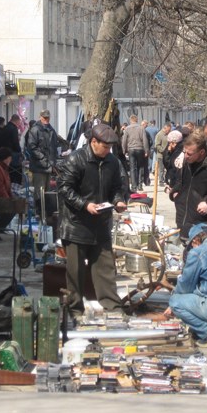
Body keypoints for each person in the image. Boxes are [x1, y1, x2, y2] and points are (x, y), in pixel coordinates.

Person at [57, 123, 128, 318]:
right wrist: (84, 204)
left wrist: (118, 201)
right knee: (75, 274)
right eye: (105, 147)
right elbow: (64, 188)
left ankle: (114, 309)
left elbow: (117, 187)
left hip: (101, 225)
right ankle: (74, 311)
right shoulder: (75, 159)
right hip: (76, 225)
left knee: (106, 270)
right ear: (93, 142)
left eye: (110, 147)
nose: (108, 151)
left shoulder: (112, 162)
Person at [27, 109, 59, 207]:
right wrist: (42, 158)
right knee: (39, 193)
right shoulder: (35, 129)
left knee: (47, 193)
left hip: (49, 167)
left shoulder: (52, 130)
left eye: (47, 117)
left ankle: (46, 214)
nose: (46, 119)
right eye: (44, 117)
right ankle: (39, 213)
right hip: (39, 167)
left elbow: (54, 148)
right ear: (40, 118)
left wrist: (54, 161)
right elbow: (31, 148)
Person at [121, 115, 149, 192]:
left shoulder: (127, 128)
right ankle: (140, 185)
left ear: (130, 121)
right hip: (140, 149)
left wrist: (124, 150)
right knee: (140, 167)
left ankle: (133, 186)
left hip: (131, 149)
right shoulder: (141, 128)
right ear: (137, 120)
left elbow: (124, 141)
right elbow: (145, 140)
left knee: (132, 167)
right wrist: (146, 150)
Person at [3, 114, 23, 184]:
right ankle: (16, 184)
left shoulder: (5, 128)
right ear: (17, 121)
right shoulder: (14, 129)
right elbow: (15, 142)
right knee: (16, 171)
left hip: (5, 152)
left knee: (8, 170)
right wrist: (19, 150)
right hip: (13, 152)